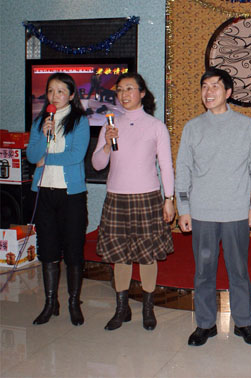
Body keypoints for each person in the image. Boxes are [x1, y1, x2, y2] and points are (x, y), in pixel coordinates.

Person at [175, 67, 251, 347]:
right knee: (204, 271)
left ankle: (244, 322)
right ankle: (205, 324)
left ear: (228, 92)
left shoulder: (246, 126)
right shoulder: (192, 127)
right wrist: (183, 209)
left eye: (215, 86)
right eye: (204, 86)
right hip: (201, 213)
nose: (208, 91)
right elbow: (183, 170)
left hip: (236, 212)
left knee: (238, 269)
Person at [92, 72, 175, 331]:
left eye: (129, 88)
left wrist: (169, 199)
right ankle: (122, 309)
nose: (123, 94)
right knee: (120, 256)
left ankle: (148, 309)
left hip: (147, 197)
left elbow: (166, 166)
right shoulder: (110, 124)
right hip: (116, 197)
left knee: (147, 255)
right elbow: (97, 164)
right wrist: (107, 144)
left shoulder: (155, 126)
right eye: (120, 89)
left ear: (142, 93)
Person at [27, 72, 90, 326]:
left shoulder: (80, 121)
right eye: (51, 91)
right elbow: (32, 156)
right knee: (48, 250)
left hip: (71, 195)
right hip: (44, 193)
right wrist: (44, 135)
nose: (55, 95)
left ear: (71, 95)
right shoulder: (40, 121)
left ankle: (74, 302)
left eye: (61, 91)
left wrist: (47, 159)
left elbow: (75, 156)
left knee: (73, 249)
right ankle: (50, 302)